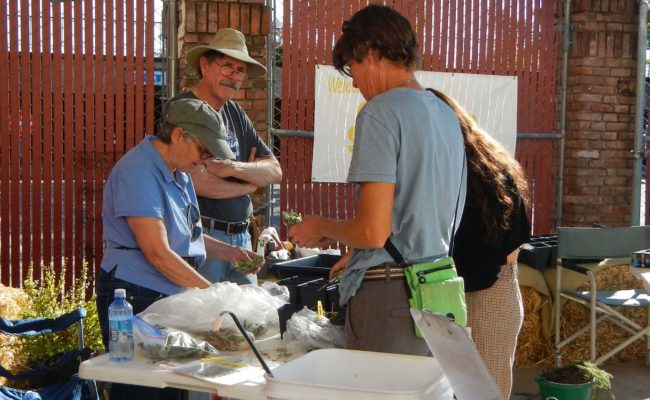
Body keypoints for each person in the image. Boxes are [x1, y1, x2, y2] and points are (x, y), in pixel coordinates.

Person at [288, 4, 466, 356]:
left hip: (391, 297)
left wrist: (320, 226)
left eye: (352, 67)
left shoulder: (381, 111)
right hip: (439, 287)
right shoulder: (445, 114)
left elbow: (373, 231)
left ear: (369, 52)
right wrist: (359, 254)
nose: (353, 81)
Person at [96, 98, 260, 400]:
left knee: (173, 389)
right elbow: (157, 252)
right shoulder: (138, 171)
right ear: (178, 135)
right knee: (140, 391)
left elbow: (186, 237)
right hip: (135, 295)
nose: (205, 159)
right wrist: (212, 294)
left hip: (168, 294)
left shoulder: (179, 172)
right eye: (204, 150)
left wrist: (232, 252)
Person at [161, 28, 282, 286]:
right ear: (205, 65)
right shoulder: (184, 110)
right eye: (227, 66)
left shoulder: (235, 112)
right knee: (206, 322)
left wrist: (230, 169)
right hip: (204, 238)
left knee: (245, 322)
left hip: (242, 238)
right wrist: (249, 183)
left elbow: (274, 170)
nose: (234, 77)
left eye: (240, 71)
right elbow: (194, 179)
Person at [431, 88, 531, 399]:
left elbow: (512, 244)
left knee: (484, 391)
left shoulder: (484, 171)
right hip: (464, 290)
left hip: (487, 294)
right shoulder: (481, 165)